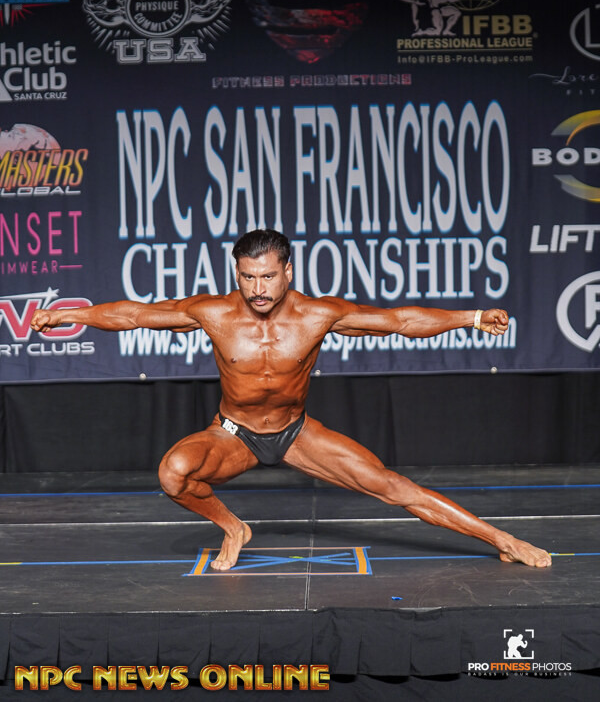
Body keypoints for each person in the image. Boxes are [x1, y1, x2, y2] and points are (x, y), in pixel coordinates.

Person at [31, 229, 552, 572]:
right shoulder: (213, 312)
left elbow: (399, 321)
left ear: (288, 272)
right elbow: (133, 315)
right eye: (247, 277)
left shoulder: (318, 315)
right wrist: (65, 315)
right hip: (234, 434)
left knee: (393, 487)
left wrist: (472, 317)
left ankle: (502, 540)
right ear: (236, 273)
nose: (257, 288)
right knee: (174, 474)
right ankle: (233, 526)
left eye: (267, 276)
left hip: (296, 432)